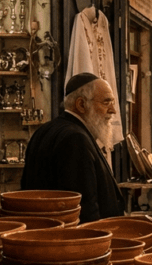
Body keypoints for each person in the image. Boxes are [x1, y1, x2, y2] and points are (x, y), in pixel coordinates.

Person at [22, 73, 124, 223]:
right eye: (106, 102)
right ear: (81, 104)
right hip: (76, 240)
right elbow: (84, 209)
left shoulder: (45, 130)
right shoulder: (75, 139)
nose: (113, 110)